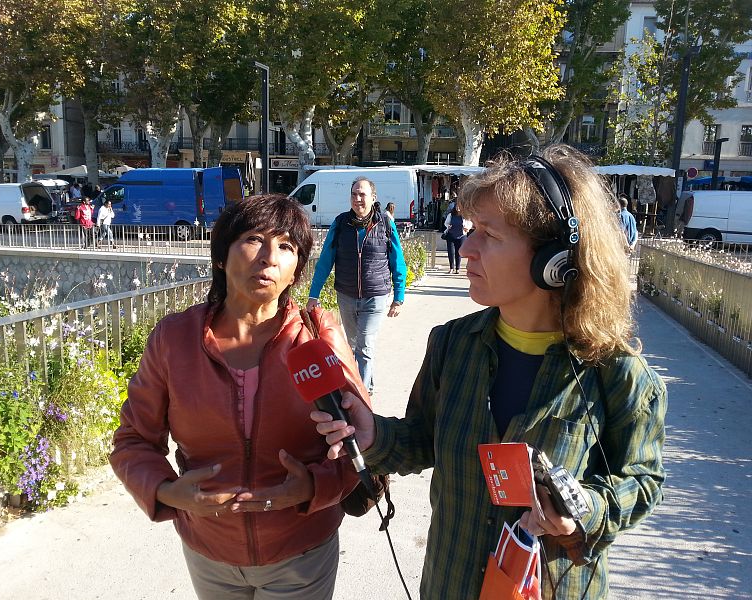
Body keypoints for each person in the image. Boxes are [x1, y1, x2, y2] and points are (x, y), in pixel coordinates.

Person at [312, 145, 667, 599]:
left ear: (554, 260)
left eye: (489, 234)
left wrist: (585, 509)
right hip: (450, 582)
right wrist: (373, 436)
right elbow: (423, 438)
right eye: (470, 229)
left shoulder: (617, 374)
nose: (466, 247)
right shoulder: (451, 344)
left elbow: (642, 479)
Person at [110, 194, 369, 599]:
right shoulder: (173, 340)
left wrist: (311, 488)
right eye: (253, 239)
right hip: (209, 552)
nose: (269, 256)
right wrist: (165, 491)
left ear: (296, 271)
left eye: (286, 246)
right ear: (220, 257)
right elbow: (132, 441)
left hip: (300, 552)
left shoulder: (318, 339)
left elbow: (361, 447)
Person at [307, 177, 407, 395]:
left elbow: (398, 262)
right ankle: (367, 384)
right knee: (353, 345)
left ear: (373, 197)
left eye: (362, 194)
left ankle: (359, 394)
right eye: (354, 194)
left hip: (376, 296)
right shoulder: (341, 223)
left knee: (365, 345)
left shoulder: (385, 224)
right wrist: (313, 295)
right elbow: (325, 261)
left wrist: (399, 297)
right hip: (347, 294)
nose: (357, 198)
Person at [442, 203, 472, 274]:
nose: (458, 208)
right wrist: (448, 226)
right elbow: (446, 223)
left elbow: (470, 223)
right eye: (457, 206)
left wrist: (467, 228)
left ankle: (457, 268)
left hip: (461, 236)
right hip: (451, 235)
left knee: (458, 252)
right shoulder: (451, 215)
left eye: (459, 206)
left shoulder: (465, 216)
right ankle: (451, 268)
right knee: (451, 252)